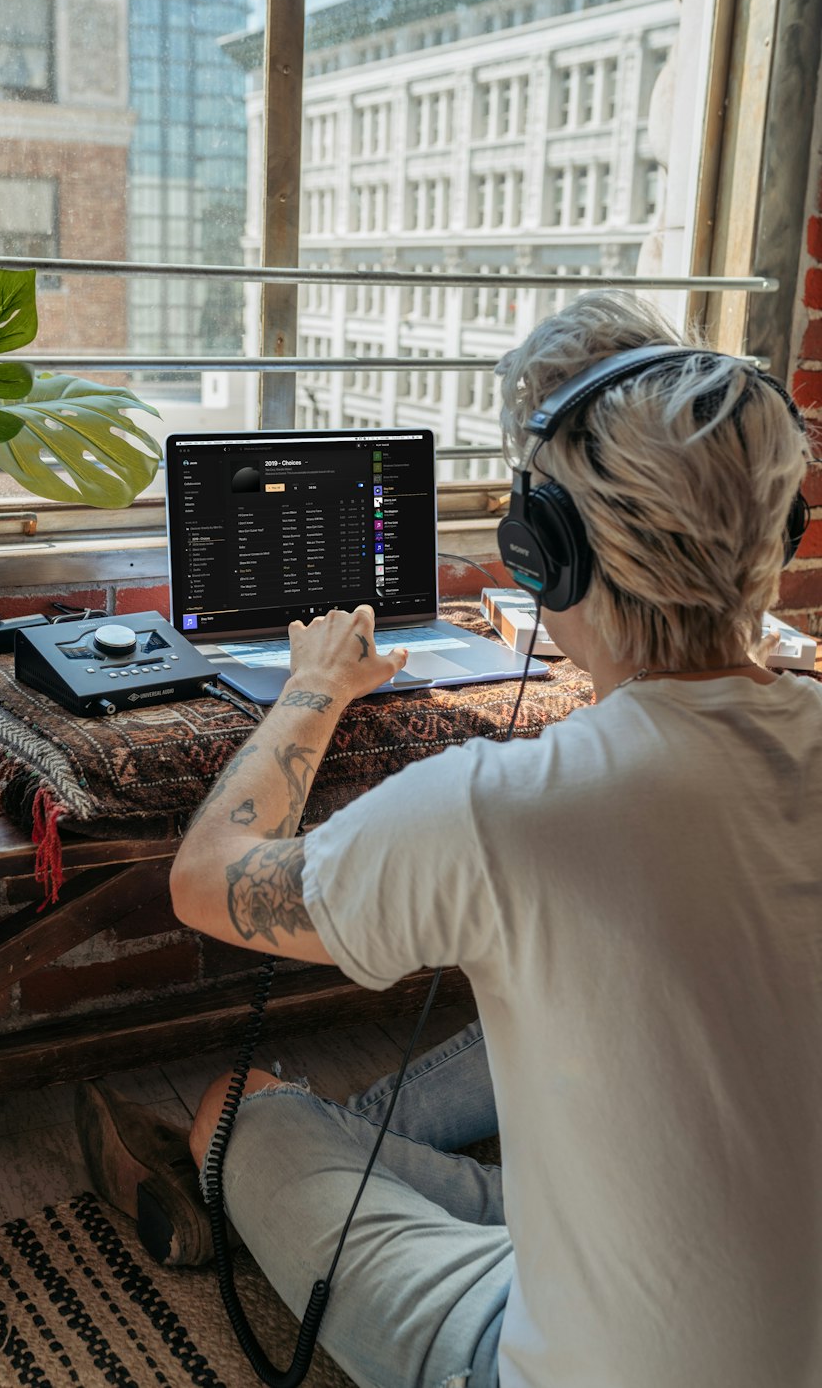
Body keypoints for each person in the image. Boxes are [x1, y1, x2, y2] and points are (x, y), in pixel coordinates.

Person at [75, 291, 822, 1388]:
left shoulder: (501, 808)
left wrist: (313, 689)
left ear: (545, 547)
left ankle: (312, 1144)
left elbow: (205, 879)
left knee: (238, 1113)